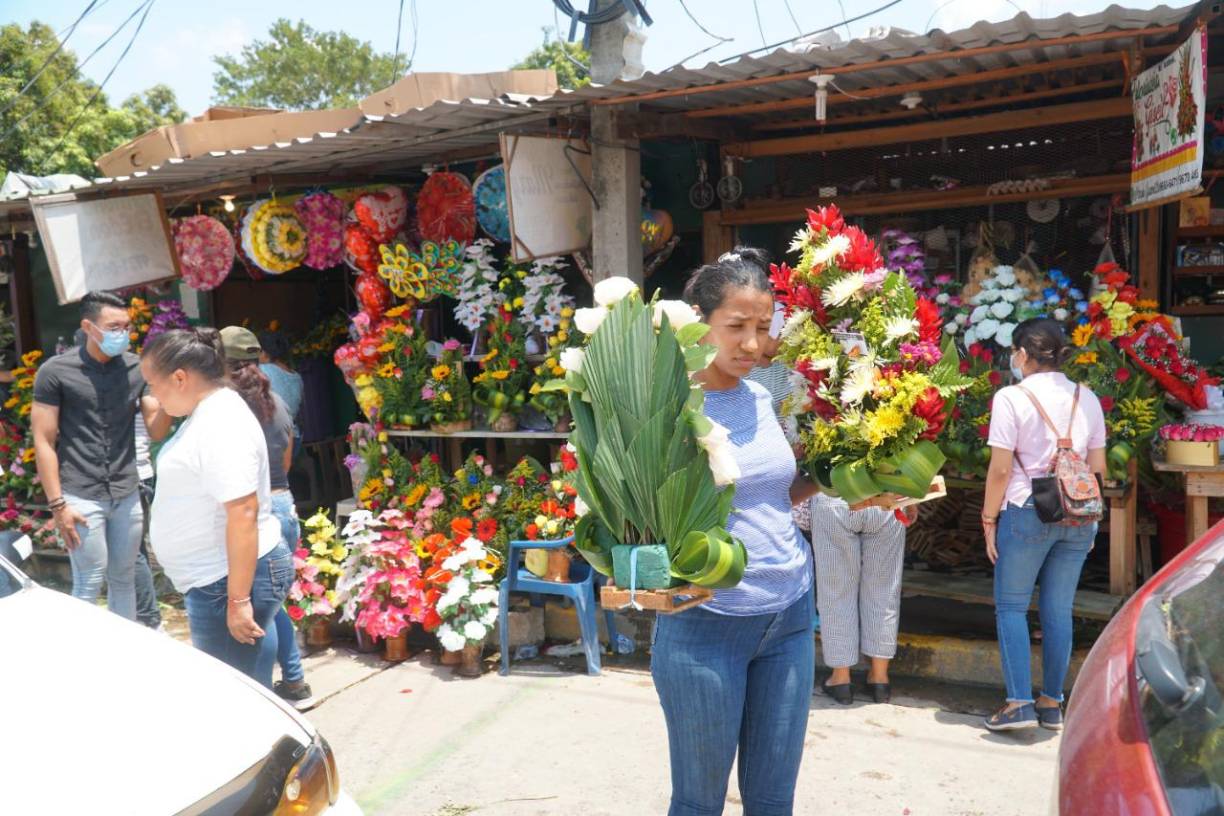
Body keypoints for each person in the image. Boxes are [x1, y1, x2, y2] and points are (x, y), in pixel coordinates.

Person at [651, 247, 822, 816]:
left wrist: (841, 477)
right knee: (699, 805)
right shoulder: (666, 408)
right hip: (708, 624)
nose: (753, 344)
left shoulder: (759, 394)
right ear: (700, 322)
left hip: (790, 613)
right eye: (737, 328)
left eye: (762, 327)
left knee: (773, 802)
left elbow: (771, 493)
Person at [141, 327, 291, 687]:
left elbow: (242, 513)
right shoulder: (206, 412)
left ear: (180, 377)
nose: (153, 396)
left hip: (224, 580)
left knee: (233, 688)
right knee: (245, 679)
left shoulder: (220, 422)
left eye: (153, 385)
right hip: (218, 577)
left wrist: (238, 601)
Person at [982, 317, 1106, 732]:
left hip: (1025, 509)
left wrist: (988, 517)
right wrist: (1090, 524)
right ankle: (1052, 703)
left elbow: (1000, 471)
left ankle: (1018, 704)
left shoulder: (1010, 398)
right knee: (1058, 610)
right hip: (1078, 513)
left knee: (1012, 607)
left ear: (1022, 355)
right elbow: (1098, 467)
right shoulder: (1086, 397)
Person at [31, 291, 171, 620]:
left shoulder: (138, 368)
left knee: (123, 581)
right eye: (113, 326)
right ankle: (82, 660)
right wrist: (58, 506)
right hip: (80, 494)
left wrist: (166, 392)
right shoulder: (56, 372)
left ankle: (121, 657)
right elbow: (43, 441)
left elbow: (156, 429)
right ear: (88, 327)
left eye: (126, 326)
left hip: (126, 492)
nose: (122, 333)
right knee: (89, 581)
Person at [222, 326, 314, 709]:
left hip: (258, 509)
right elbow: (287, 459)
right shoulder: (277, 397)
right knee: (273, 605)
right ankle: (294, 682)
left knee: (258, 612)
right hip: (284, 501)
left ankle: (267, 697)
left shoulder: (230, 408)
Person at [809, 494, 913, 705]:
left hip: (834, 499)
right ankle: (880, 678)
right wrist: (912, 501)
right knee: (884, 590)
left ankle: (840, 679)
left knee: (835, 591)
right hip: (887, 500)